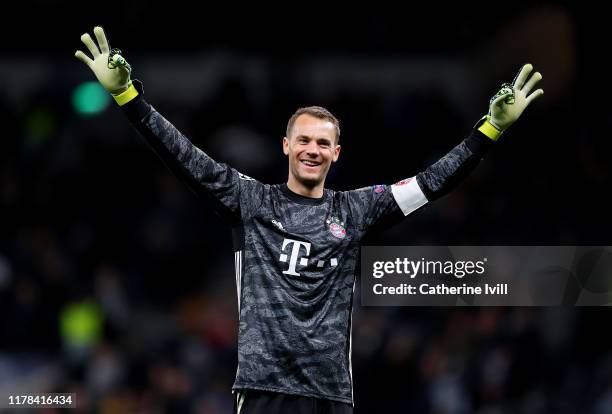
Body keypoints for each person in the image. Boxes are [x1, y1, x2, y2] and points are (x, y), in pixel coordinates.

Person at [75, 26, 543, 414]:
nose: (312, 150)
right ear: (285, 146)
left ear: (336, 154)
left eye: (322, 143)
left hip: (328, 393)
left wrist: (491, 128)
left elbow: (430, 183)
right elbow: (184, 157)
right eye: (304, 140)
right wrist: (127, 96)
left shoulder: (357, 209)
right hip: (263, 389)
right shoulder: (251, 200)